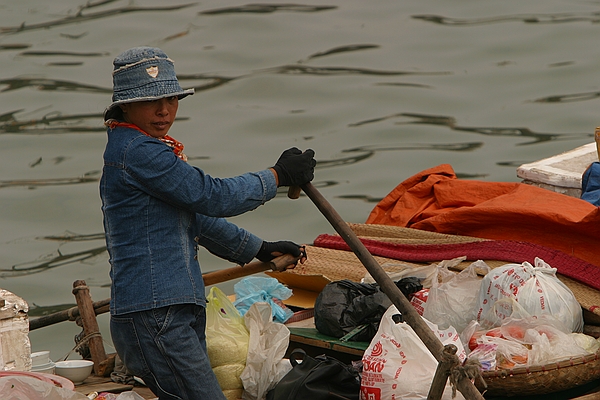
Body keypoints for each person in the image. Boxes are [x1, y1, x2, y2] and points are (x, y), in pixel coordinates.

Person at [100, 46, 316, 400]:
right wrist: (276, 177)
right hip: (156, 317)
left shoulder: (144, 149)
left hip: (168, 312)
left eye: (171, 99)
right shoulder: (138, 152)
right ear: (124, 106)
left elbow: (196, 217)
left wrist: (257, 248)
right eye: (150, 101)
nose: (164, 110)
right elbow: (211, 196)